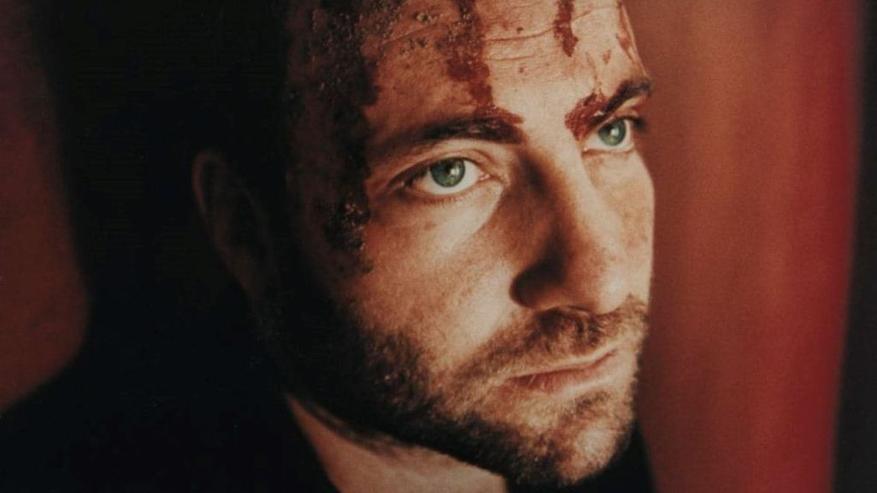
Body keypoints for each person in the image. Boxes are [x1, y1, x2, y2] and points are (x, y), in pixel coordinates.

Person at [0, 0, 654, 491]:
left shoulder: (550, 404)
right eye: (447, 172)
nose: (600, 280)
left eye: (612, 130)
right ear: (243, 227)